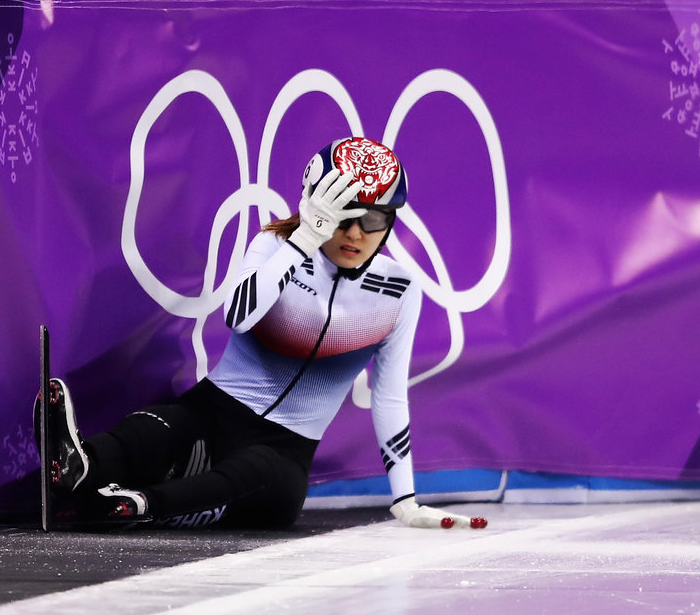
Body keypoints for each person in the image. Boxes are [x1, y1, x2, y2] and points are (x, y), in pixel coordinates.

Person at [40, 137, 481, 530]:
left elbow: (389, 396)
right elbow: (239, 315)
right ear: (314, 208)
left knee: (265, 473)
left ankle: (139, 505)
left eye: (373, 219)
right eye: (342, 216)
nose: (354, 234)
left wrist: (405, 500)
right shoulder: (274, 247)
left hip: (286, 448)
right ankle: (83, 467)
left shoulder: (400, 290)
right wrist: (304, 240)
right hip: (215, 412)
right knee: (164, 427)